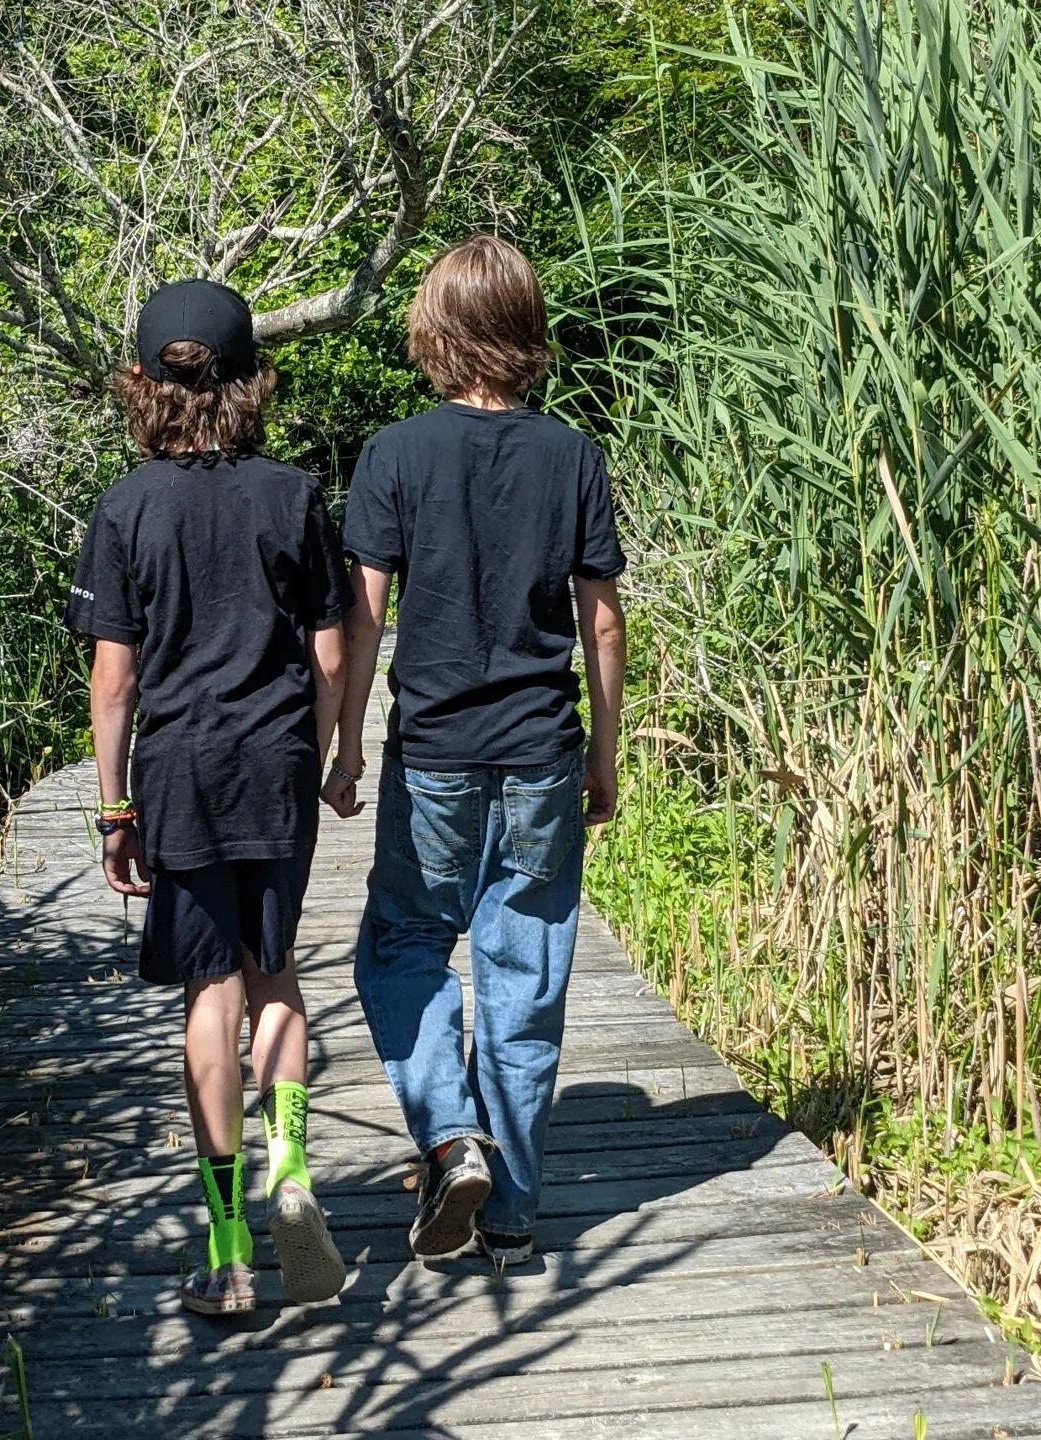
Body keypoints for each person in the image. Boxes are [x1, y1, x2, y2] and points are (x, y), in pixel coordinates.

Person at [322, 234, 628, 1267]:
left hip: (437, 753)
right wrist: (606, 756)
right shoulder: (574, 456)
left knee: (402, 947)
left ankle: (452, 1139)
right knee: (524, 976)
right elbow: (604, 623)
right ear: (525, 333)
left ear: (436, 332)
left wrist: (348, 747)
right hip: (542, 750)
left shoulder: (394, 455)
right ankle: (511, 1210)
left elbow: (362, 620)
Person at [65, 279, 352, 1315]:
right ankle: (293, 1171)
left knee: (209, 999)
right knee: (272, 973)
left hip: (180, 773)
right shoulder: (292, 496)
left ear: (142, 385)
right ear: (250, 384)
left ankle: (228, 1245)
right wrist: (325, 754)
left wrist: (112, 808)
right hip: (274, 765)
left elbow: (113, 680)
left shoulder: (127, 505)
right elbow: (330, 651)